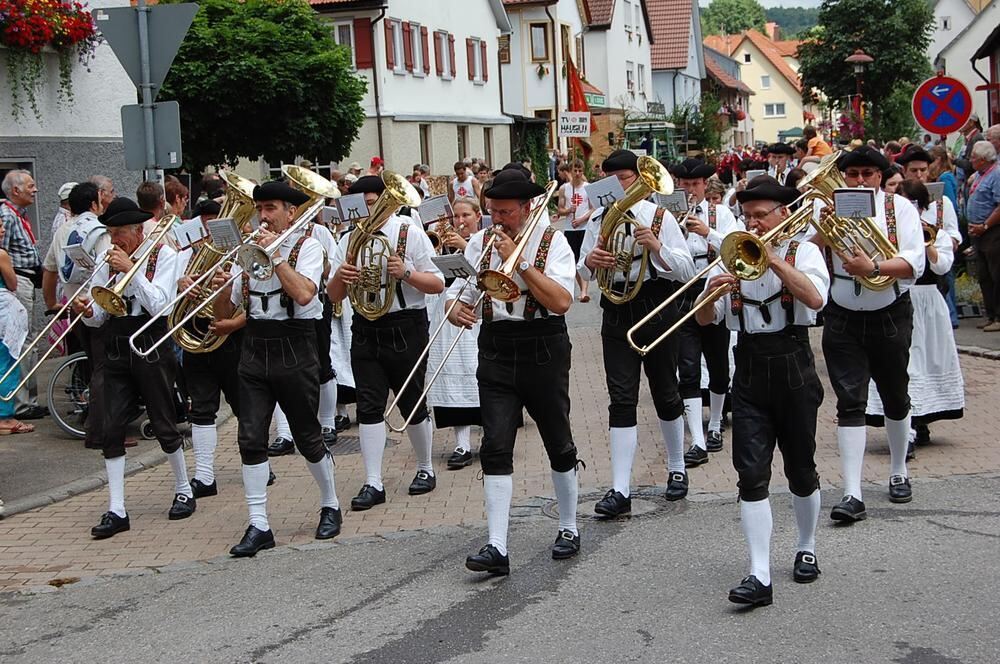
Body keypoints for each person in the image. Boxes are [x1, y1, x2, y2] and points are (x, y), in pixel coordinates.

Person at [694, 176, 829, 608]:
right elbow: (702, 321)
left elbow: (815, 298)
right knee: (751, 473)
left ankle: (806, 546)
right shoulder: (730, 254)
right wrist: (710, 294)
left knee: (801, 468)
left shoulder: (803, 250)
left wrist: (771, 259)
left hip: (793, 362)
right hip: (748, 364)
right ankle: (759, 573)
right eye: (747, 216)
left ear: (782, 215)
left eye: (760, 216)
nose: (751, 224)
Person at [449, 169, 580, 575]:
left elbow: (560, 301)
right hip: (496, 347)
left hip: (543, 344)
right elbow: (460, 289)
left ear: (526, 209)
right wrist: (455, 306)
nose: (497, 220)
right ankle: (497, 546)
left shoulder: (553, 242)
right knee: (495, 445)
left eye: (505, 212)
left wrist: (519, 261)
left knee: (557, 439)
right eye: (492, 212)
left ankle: (569, 526)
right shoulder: (478, 243)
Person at [211, 181, 342, 556]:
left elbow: (304, 294)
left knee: (307, 437)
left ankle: (330, 503)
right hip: (254, 348)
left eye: (271, 209)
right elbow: (227, 312)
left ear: (291, 212)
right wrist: (222, 288)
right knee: (250, 437)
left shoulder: (309, 247)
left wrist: (274, 255)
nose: (263, 217)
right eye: (260, 210)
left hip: (295, 345)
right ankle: (258, 524)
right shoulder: (246, 252)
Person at [578, 150, 695, 517]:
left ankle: (677, 467)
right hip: (616, 307)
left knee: (665, 389)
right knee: (621, 397)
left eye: (625, 179)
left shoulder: (660, 217)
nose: (619, 186)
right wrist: (591, 263)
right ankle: (620, 488)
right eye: (611, 180)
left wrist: (657, 247)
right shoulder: (598, 219)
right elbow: (583, 268)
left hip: (655, 304)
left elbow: (686, 270)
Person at [814, 146, 925, 521]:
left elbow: (914, 263)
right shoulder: (827, 208)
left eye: (867, 174)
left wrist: (874, 264)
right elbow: (805, 253)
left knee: (895, 395)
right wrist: (820, 237)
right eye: (853, 174)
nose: (859, 180)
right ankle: (851, 492)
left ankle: (898, 471)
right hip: (842, 315)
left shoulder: (900, 209)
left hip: (889, 312)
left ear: (880, 176)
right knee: (849, 401)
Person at [73, 198, 194, 538]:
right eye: (110, 233)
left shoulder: (164, 256)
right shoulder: (104, 258)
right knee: (109, 424)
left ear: (139, 231)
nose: (114, 240)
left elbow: (160, 304)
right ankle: (116, 508)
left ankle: (184, 488)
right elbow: (100, 316)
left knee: (162, 420)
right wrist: (87, 310)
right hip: (114, 343)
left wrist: (131, 270)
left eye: (120, 233)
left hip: (150, 339)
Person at [327, 175, 444, 511]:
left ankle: (425, 467)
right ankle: (373, 481)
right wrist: (341, 276)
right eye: (360, 203)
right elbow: (332, 295)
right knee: (368, 405)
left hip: (406, 324)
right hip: (366, 326)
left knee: (411, 401)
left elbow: (437, 283)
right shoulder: (349, 239)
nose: (366, 210)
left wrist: (405, 273)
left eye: (371, 202)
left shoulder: (409, 231)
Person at [867, 180, 963, 452]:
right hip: (902, 299)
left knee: (927, 360)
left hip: (929, 302)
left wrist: (927, 242)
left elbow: (942, 267)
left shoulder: (937, 233)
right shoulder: (889, 233)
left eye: (915, 205)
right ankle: (905, 427)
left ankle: (922, 421)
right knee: (903, 363)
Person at [671, 158, 741, 468]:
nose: (689, 191)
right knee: (687, 365)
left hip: (715, 290)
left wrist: (708, 231)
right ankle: (697, 439)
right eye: (684, 185)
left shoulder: (721, 213)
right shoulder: (668, 215)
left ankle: (715, 426)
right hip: (683, 293)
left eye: (694, 185)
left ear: (704, 185)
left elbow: (738, 247)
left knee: (717, 362)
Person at [173, 207, 244, 499]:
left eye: (214, 225)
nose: (207, 234)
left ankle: (257, 460)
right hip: (197, 334)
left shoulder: (238, 255)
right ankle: (204, 475)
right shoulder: (182, 258)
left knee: (245, 404)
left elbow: (249, 300)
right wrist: (181, 287)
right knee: (201, 407)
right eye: (203, 225)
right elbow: (166, 301)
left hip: (232, 336)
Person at [426, 197, 483, 469]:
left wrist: (467, 248)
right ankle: (462, 444)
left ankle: (490, 437)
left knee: (480, 377)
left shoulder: (485, 240)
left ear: (478, 216)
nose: (461, 221)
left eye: (466, 215)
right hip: (448, 311)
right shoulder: (445, 237)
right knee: (452, 380)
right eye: (457, 216)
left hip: (478, 314)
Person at [0, 170, 46, 420]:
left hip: (24, 280)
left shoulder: (17, 213)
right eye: (30, 185)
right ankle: (22, 403)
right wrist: (10, 287)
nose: (35, 189)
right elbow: (1, 253)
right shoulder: (6, 214)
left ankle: (26, 400)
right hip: (17, 282)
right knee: (22, 342)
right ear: (15, 190)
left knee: (27, 341)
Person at [0, 221, 32, 435]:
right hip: (3, 309)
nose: (3, 229)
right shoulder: (1, 254)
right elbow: (12, 283)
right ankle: (5, 416)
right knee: (6, 360)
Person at [966, 141, 1000, 331]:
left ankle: (999, 317)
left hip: (992, 232)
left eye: (974, 158)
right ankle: (990, 314)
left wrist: (985, 225)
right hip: (978, 232)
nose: (971, 161)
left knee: (997, 274)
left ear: (985, 159)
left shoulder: (996, 174)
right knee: (984, 275)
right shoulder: (980, 175)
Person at [557, 159, 593, 303]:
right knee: (574, 258)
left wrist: (582, 219)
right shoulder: (564, 188)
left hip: (584, 227)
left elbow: (594, 208)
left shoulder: (588, 187)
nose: (577, 173)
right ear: (570, 172)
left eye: (580, 171)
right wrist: (568, 210)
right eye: (575, 170)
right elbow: (560, 209)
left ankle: (584, 291)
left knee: (583, 258)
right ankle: (580, 286)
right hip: (570, 228)